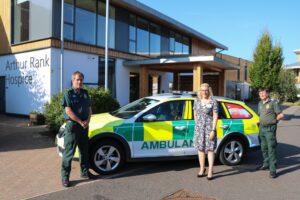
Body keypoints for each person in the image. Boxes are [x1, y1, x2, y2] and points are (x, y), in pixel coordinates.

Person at [61, 71, 92, 187]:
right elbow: (68, 111)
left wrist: (87, 122)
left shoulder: (85, 93)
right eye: (77, 79)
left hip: (84, 126)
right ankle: (65, 177)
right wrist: (80, 122)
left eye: (81, 80)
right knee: (69, 153)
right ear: (73, 80)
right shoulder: (68, 93)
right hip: (73, 126)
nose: (79, 82)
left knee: (84, 151)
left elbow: (89, 109)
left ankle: (84, 173)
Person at [256, 88, 284, 178]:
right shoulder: (260, 103)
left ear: (267, 94)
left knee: (271, 149)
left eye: (263, 93)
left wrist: (274, 121)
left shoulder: (273, 103)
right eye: (260, 93)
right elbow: (261, 115)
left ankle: (273, 170)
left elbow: (281, 115)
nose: (261, 94)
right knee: (263, 148)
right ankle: (266, 164)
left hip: (269, 129)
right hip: (261, 129)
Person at [193, 83, 218, 180]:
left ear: (209, 90)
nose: (204, 92)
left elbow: (215, 116)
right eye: (202, 90)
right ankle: (202, 168)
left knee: (210, 150)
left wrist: (213, 130)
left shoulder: (213, 102)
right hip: (199, 130)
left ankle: (210, 170)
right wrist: (197, 125)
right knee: (201, 149)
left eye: (206, 90)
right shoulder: (196, 101)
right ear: (200, 91)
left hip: (209, 129)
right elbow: (195, 114)